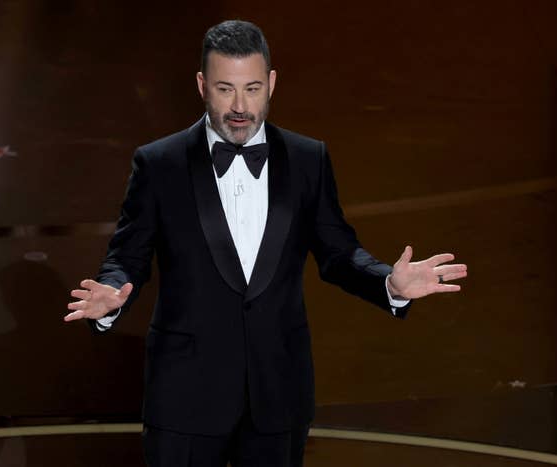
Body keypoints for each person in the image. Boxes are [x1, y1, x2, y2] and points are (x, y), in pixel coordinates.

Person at [65, 19, 467, 467]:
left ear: (272, 82)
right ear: (201, 85)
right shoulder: (159, 164)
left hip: (278, 394)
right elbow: (128, 257)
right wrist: (111, 296)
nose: (240, 106)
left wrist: (388, 284)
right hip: (185, 397)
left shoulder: (307, 159)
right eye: (225, 89)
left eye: (253, 89)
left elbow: (338, 253)